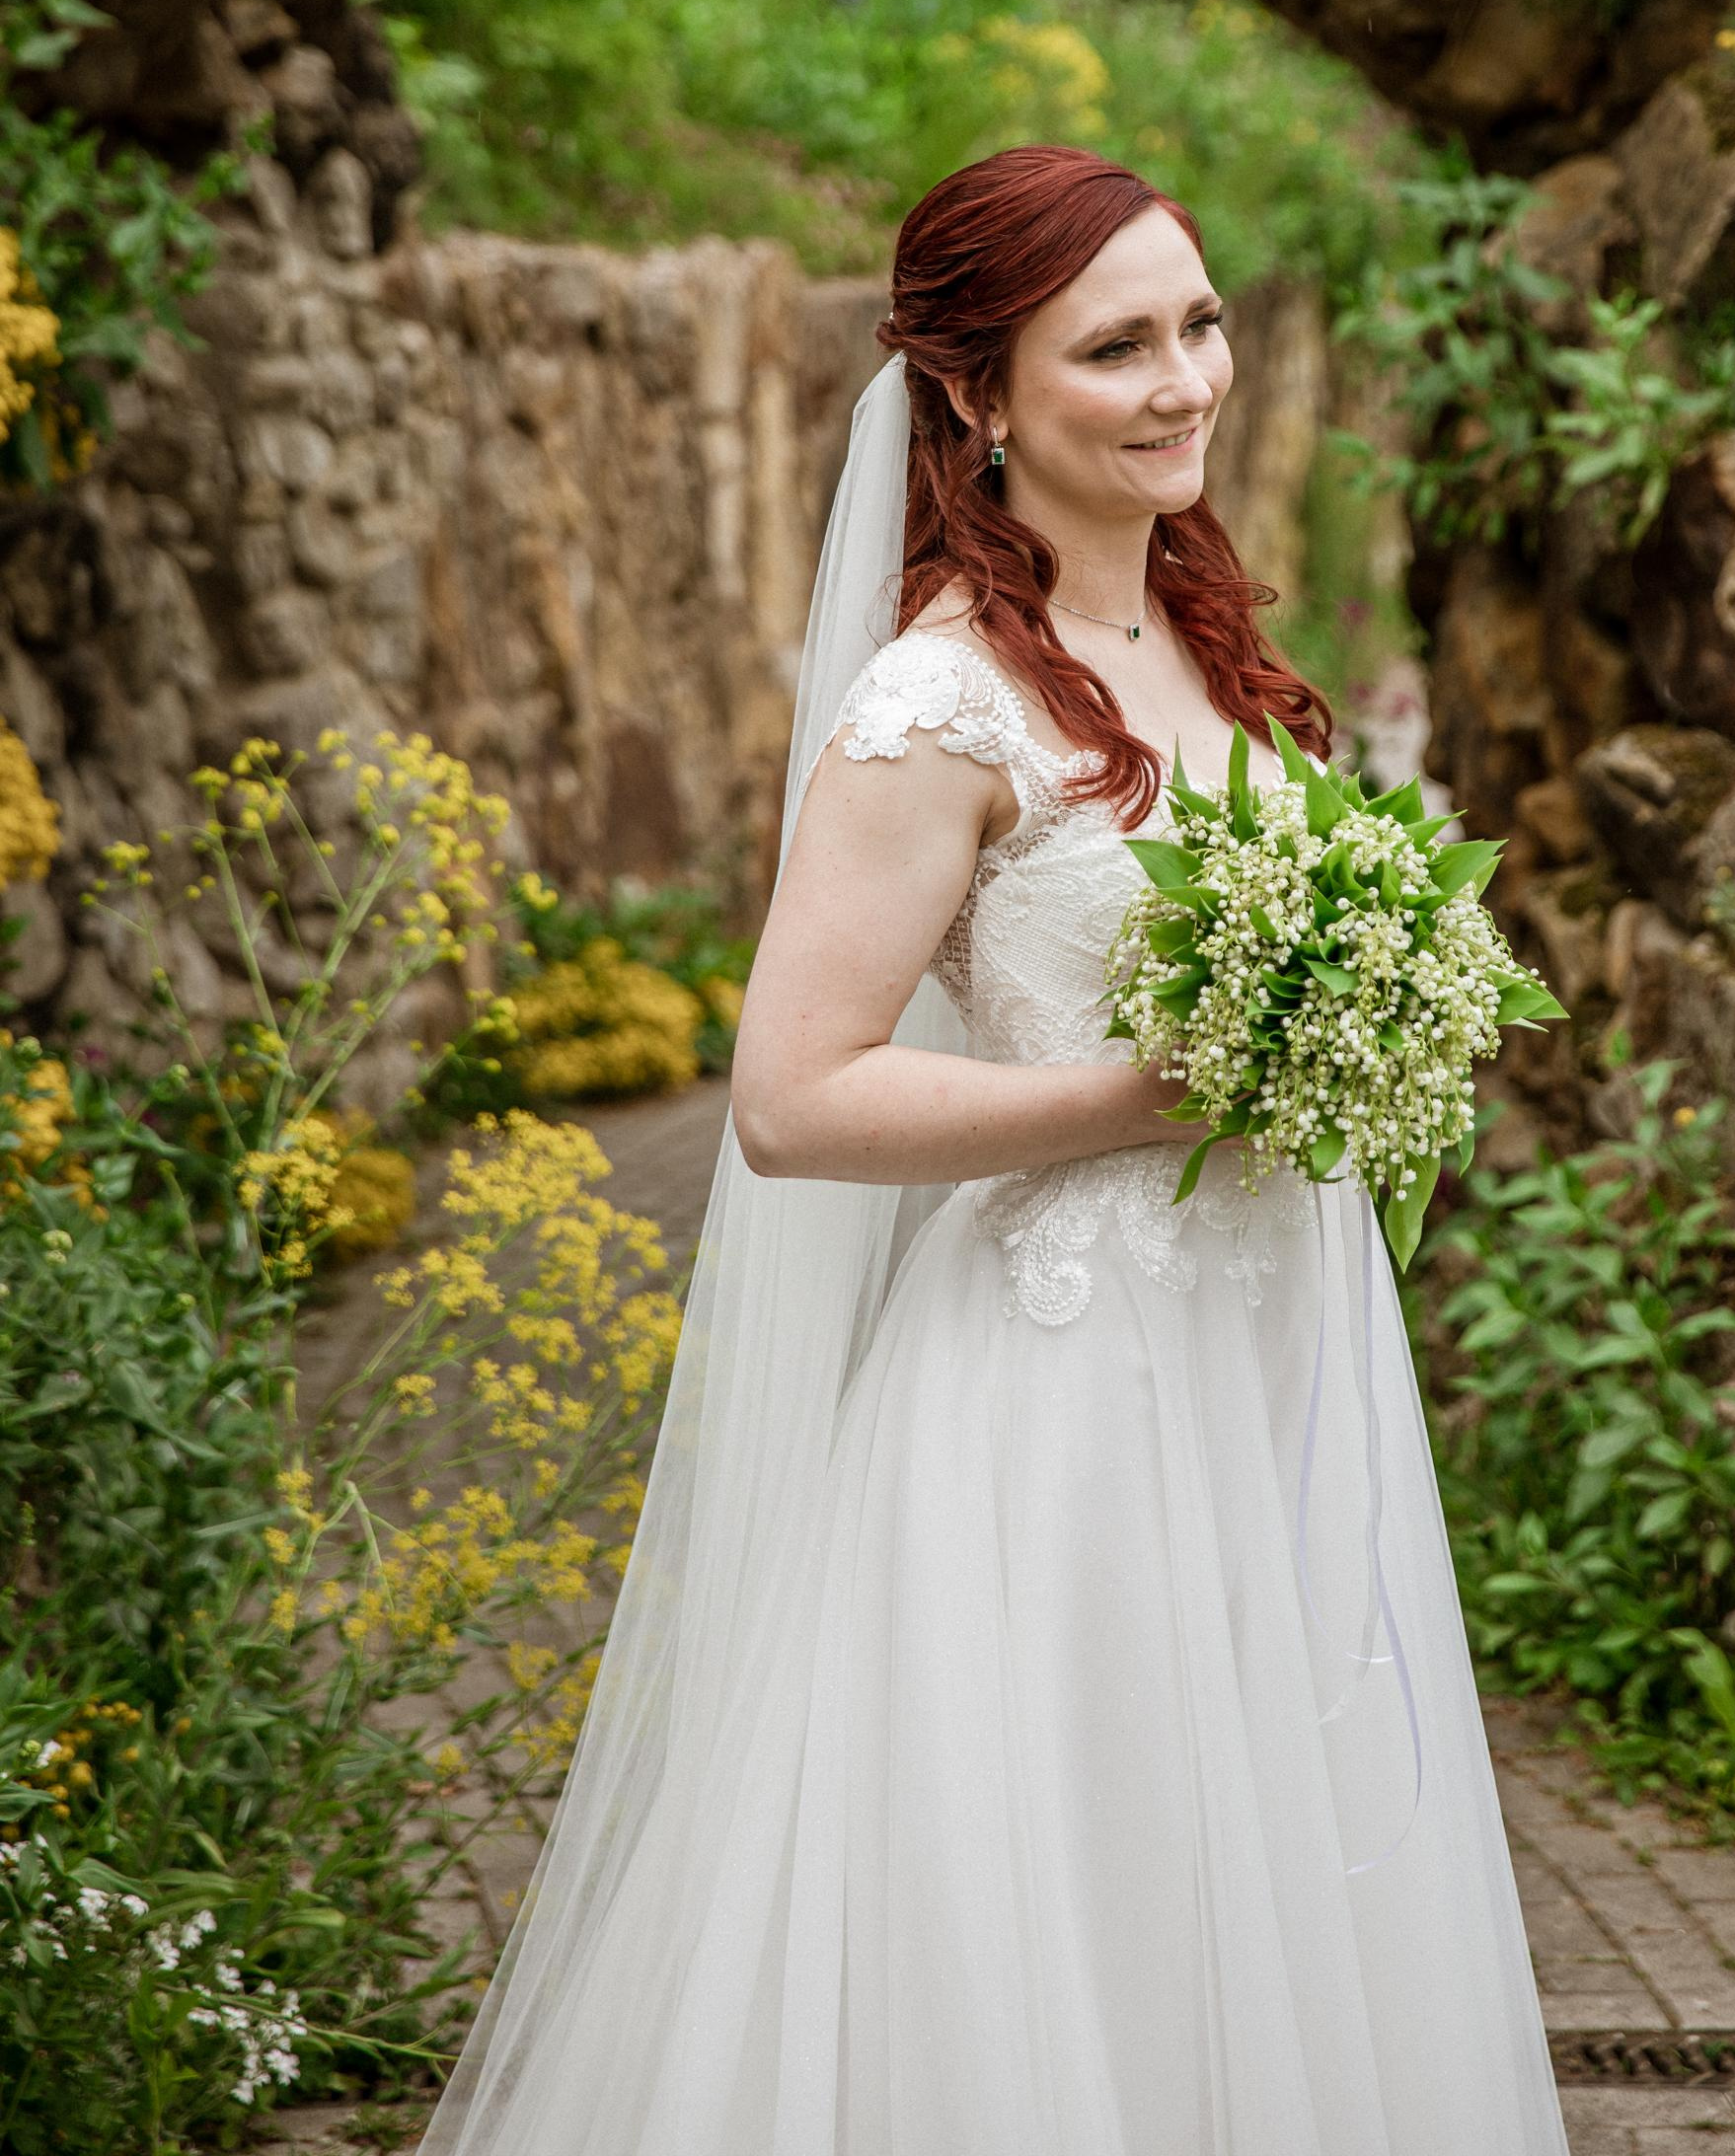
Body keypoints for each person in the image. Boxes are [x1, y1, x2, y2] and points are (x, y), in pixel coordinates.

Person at [424, 145, 1569, 2156]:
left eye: (1197, 323)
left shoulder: (1223, 658)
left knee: (1279, 1882)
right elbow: (790, 1099)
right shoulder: (938, 700)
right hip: (1056, 1394)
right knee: (1067, 1880)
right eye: (1114, 345)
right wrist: (1131, 1103)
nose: (1182, 380)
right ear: (973, 395)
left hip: (1271, 1360)